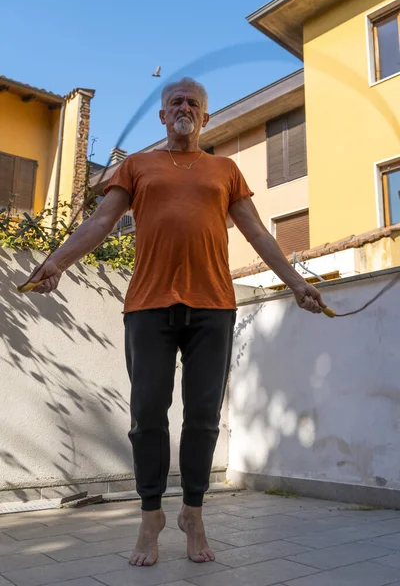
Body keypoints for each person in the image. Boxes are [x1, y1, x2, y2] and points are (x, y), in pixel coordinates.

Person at [27, 77, 327, 567]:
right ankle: (151, 515)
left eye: (193, 103)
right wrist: (58, 261)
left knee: (204, 417)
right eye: (175, 103)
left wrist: (295, 282)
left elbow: (255, 231)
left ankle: (193, 511)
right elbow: (101, 221)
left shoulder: (224, 169)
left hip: (213, 304)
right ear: (163, 116)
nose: (184, 107)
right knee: (147, 414)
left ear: (205, 117)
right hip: (147, 305)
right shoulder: (136, 167)